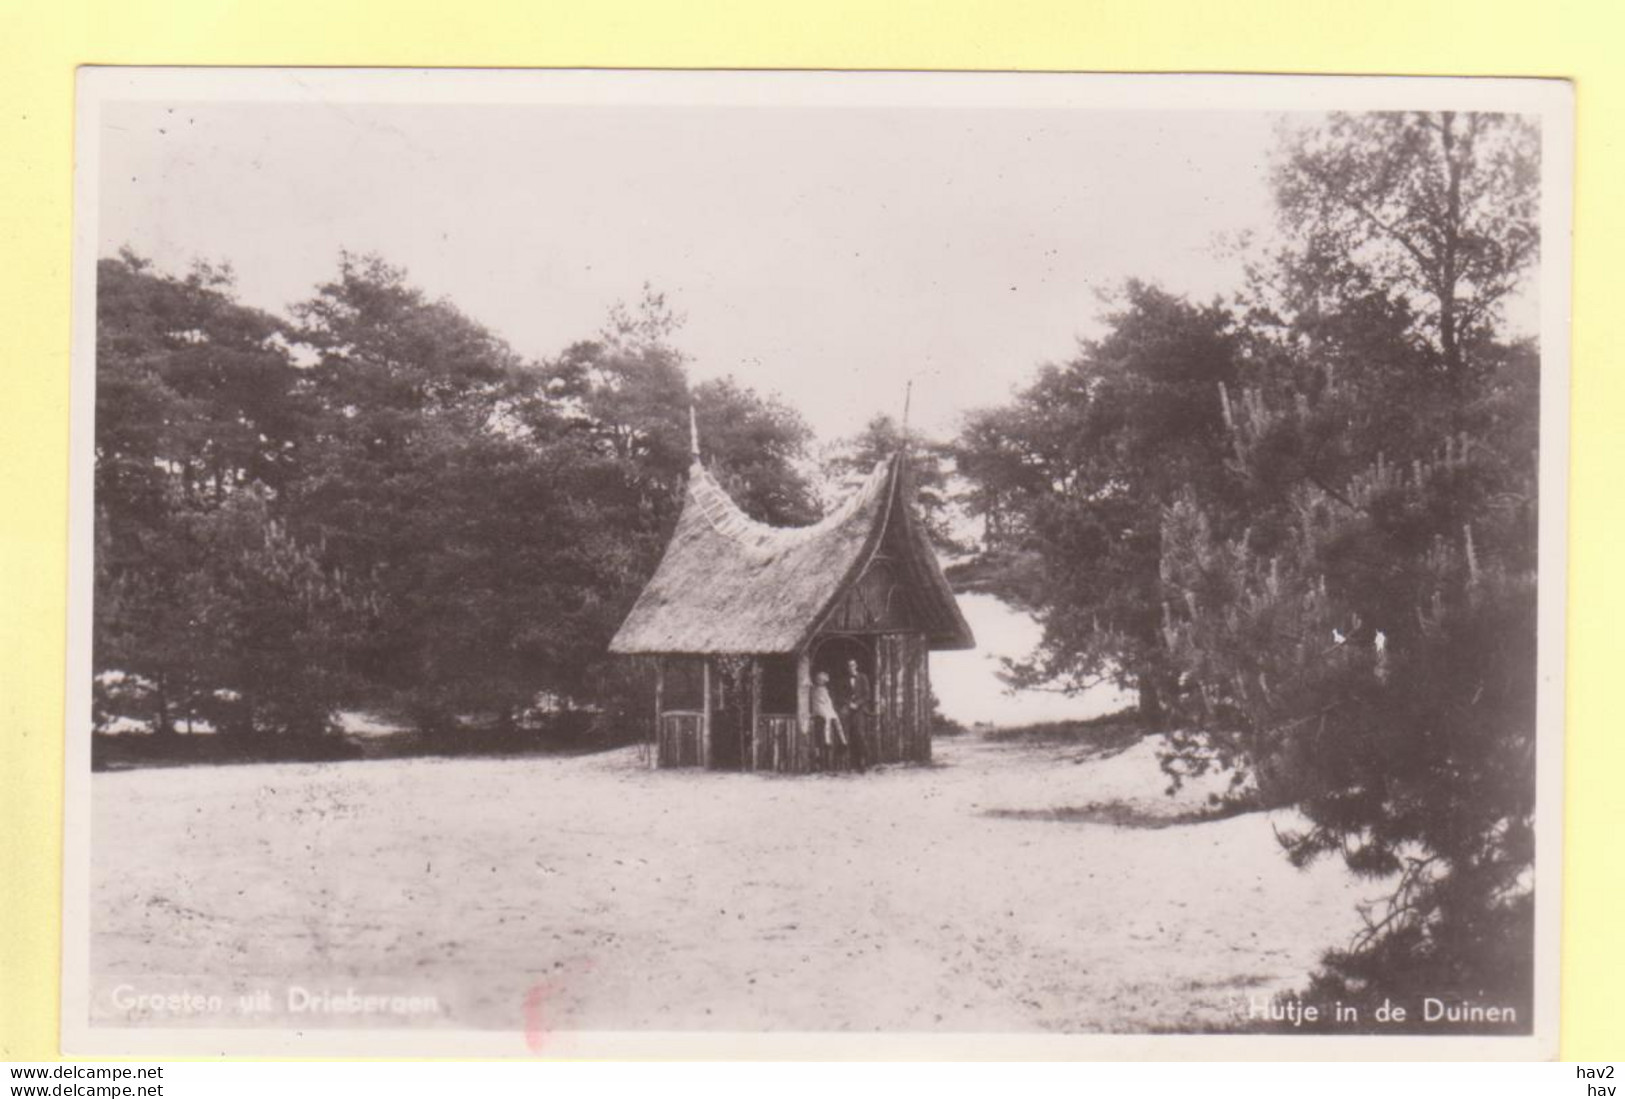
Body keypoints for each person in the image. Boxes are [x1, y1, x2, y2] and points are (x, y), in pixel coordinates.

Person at [837, 657, 874, 773]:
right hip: (848, 708)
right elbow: (841, 695)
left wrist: (857, 704)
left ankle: (863, 762)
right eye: (849, 666)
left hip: (860, 709)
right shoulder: (844, 680)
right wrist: (849, 703)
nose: (851, 668)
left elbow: (867, 695)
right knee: (845, 732)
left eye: (853, 665)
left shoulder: (863, 677)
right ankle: (847, 763)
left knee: (859, 733)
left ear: (856, 666)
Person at [809, 670, 845, 771]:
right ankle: (827, 743)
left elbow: (828, 703)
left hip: (825, 711)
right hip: (820, 714)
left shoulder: (824, 690)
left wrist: (832, 711)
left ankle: (842, 741)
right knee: (819, 739)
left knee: (833, 722)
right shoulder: (814, 689)